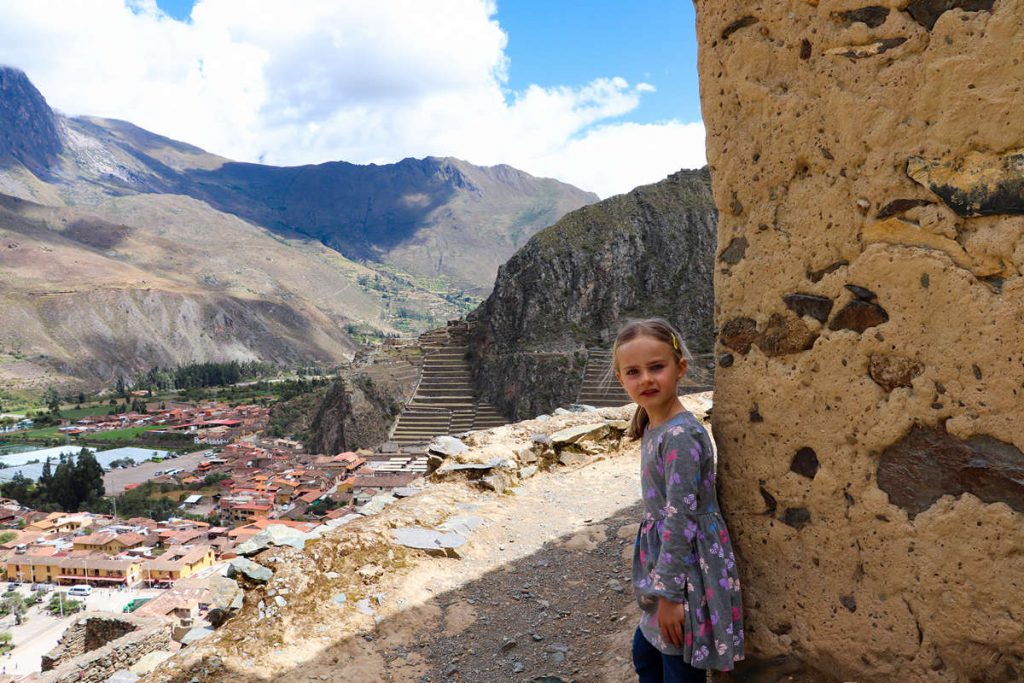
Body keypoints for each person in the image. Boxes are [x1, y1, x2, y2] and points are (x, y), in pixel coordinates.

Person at [613, 318, 744, 681]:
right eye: (634, 372)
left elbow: (681, 516)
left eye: (657, 367)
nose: (646, 380)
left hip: (687, 573)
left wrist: (669, 598)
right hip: (668, 568)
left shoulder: (681, 436)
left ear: (680, 368)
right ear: (621, 379)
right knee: (646, 653)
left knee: (677, 661)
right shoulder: (655, 426)